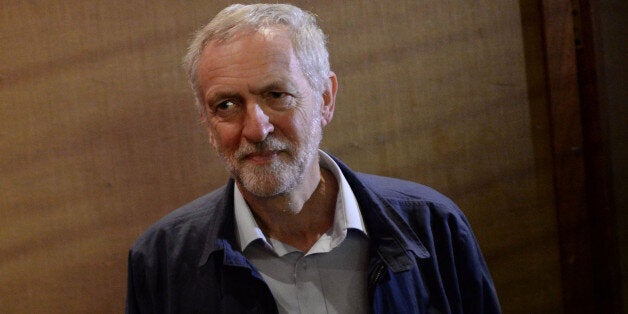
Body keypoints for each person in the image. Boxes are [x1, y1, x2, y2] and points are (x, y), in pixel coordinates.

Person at [125, 3, 501, 313]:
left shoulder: (433, 228)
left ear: (325, 99)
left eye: (276, 95)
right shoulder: (162, 261)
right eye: (227, 104)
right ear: (207, 123)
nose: (256, 129)